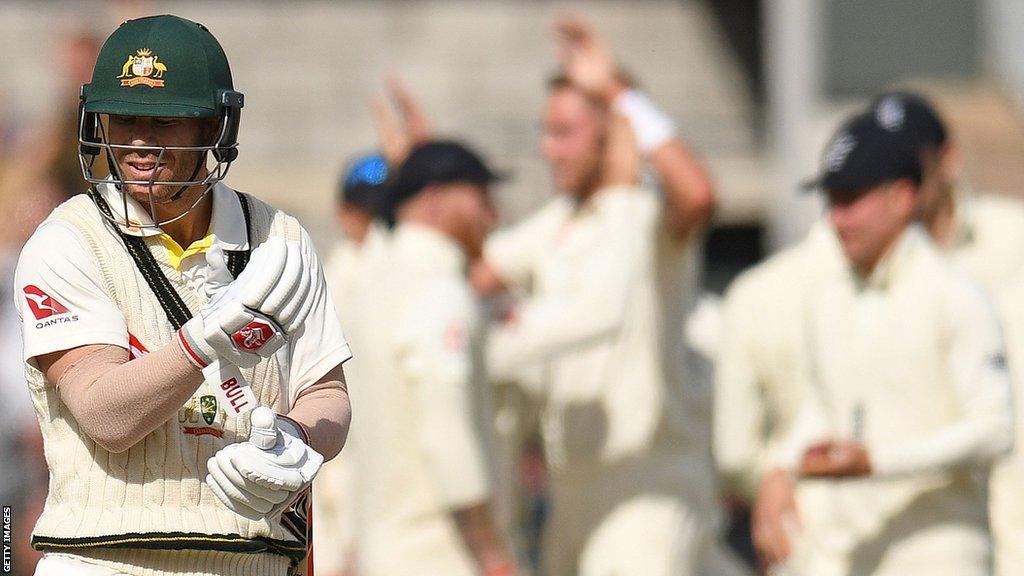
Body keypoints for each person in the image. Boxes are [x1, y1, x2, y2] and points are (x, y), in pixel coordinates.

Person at [16, 15, 352, 576]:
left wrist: (295, 440)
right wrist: (202, 343)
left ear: (214, 128)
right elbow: (107, 415)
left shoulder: (279, 238)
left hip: (256, 558)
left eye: (166, 122)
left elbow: (328, 393)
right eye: (124, 120)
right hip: (109, 560)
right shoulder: (68, 241)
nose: (140, 145)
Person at [470, 17, 749, 576]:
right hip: (570, 494)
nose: (549, 150)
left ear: (611, 131)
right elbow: (473, 281)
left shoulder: (646, 219)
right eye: (545, 131)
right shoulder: (555, 225)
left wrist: (620, 92)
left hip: (649, 489)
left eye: (564, 132)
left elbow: (699, 193)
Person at [752, 113, 1013, 576]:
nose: (836, 220)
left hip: (941, 548)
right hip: (859, 551)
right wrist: (781, 470)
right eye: (831, 202)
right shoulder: (828, 300)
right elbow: (820, 407)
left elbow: (995, 428)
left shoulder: (953, 295)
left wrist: (876, 462)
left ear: (902, 198)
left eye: (851, 200)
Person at [345, 140, 517, 576]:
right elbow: (445, 434)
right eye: (481, 197)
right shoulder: (439, 288)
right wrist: (492, 556)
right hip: (441, 555)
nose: (491, 215)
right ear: (435, 198)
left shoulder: (372, 280)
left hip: (383, 550)